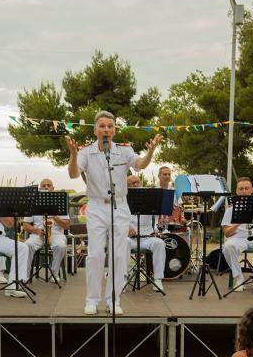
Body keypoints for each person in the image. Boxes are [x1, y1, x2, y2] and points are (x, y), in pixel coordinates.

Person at [66, 110, 162, 315]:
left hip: (119, 206)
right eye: (102, 126)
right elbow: (74, 174)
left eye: (110, 126)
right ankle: (92, 300)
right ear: (95, 130)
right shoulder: (85, 152)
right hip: (96, 206)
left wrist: (151, 153)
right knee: (95, 255)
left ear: (115, 130)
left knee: (119, 255)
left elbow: (139, 165)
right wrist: (73, 156)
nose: (106, 129)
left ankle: (113, 299)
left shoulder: (124, 151)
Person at [22, 178, 70, 280]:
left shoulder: (60, 202)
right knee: (27, 245)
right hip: (38, 234)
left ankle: (54, 273)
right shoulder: (32, 203)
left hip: (56, 234)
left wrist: (56, 217)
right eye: (43, 185)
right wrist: (36, 230)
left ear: (53, 188)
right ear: (40, 189)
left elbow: (66, 225)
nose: (46, 187)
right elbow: (25, 225)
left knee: (61, 246)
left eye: (49, 185)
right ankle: (25, 275)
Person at [126, 175, 166, 292]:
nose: (135, 185)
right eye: (131, 183)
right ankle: (123, 277)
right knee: (122, 243)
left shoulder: (149, 198)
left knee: (159, 243)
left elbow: (158, 215)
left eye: (136, 182)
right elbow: (116, 220)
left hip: (147, 237)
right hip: (129, 238)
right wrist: (126, 229)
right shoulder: (121, 200)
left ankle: (158, 279)